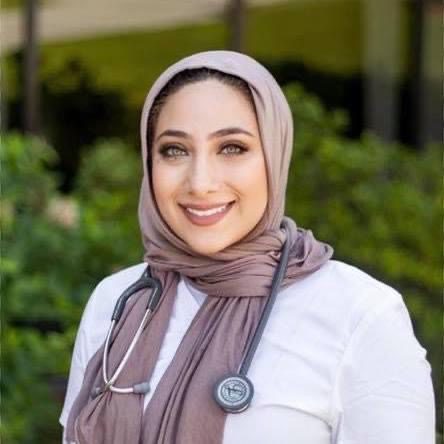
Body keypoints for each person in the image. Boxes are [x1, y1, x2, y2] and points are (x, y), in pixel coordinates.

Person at [60, 51, 435, 443]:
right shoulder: (116, 302)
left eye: (232, 148)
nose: (200, 182)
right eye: (174, 150)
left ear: (274, 154)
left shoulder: (359, 316)